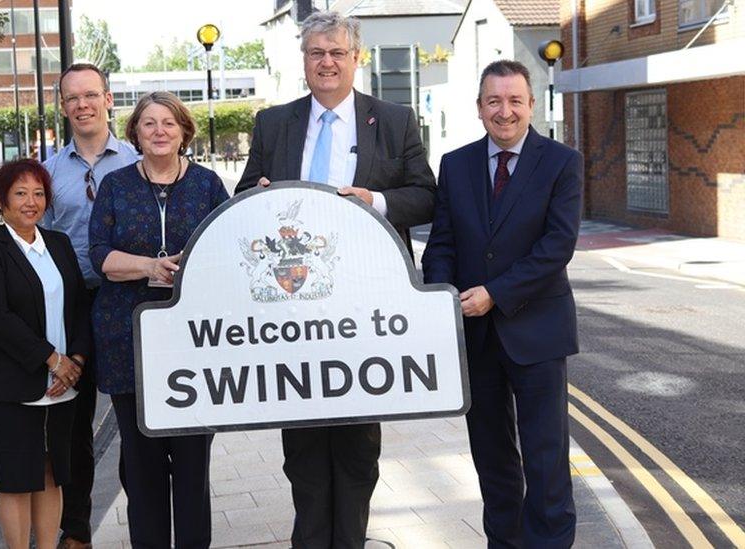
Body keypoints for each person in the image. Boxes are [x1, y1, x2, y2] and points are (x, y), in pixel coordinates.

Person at [235, 11, 436, 547]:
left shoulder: (393, 119)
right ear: (303, 61)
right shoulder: (273, 123)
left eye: (337, 53)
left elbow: (427, 196)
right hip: (292, 315)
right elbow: (240, 198)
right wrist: (257, 195)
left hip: (363, 314)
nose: (326, 62)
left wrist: (378, 202)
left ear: (356, 59)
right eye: (316, 53)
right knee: (301, 451)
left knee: (355, 449)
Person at [421, 60, 582, 548]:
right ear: (479, 107)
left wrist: (494, 294)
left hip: (537, 333)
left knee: (545, 458)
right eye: (494, 101)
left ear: (531, 105)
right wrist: (440, 298)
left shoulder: (561, 161)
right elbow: (443, 242)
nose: (505, 111)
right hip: (476, 337)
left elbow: (557, 247)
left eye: (515, 100)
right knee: (492, 459)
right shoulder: (456, 163)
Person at [89, 91, 228, 548]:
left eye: (168, 123)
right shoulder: (114, 185)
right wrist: (150, 266)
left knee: (191, 467)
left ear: (184, 131)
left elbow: (230, 251)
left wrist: (196, 264)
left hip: (194, 345)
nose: (159, 131)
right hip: (129, 342)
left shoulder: (208, 185)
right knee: (142, 466)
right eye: (148, 124)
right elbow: (100, 255)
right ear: (135, 134)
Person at [0, 159, 92, 549]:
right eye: (20, 193)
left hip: (64, 384)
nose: (30, 202)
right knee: (18, 479)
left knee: (52, 473)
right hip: (9, 385)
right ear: (1, 200)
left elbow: (79, 307)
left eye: (38, 193)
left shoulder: (59, 243)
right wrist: (53, 361)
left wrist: (77, 363)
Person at [41, 62, 139, 549]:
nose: (82, 104)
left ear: (107, 100)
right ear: (63, 107)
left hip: (129, 304)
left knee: (132, 421)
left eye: (90, 95)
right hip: (73, 310)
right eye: (72, 98)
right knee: (73, 428)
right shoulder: (49, 173)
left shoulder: (137, 162)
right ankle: (76, 531)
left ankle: (142, 517)